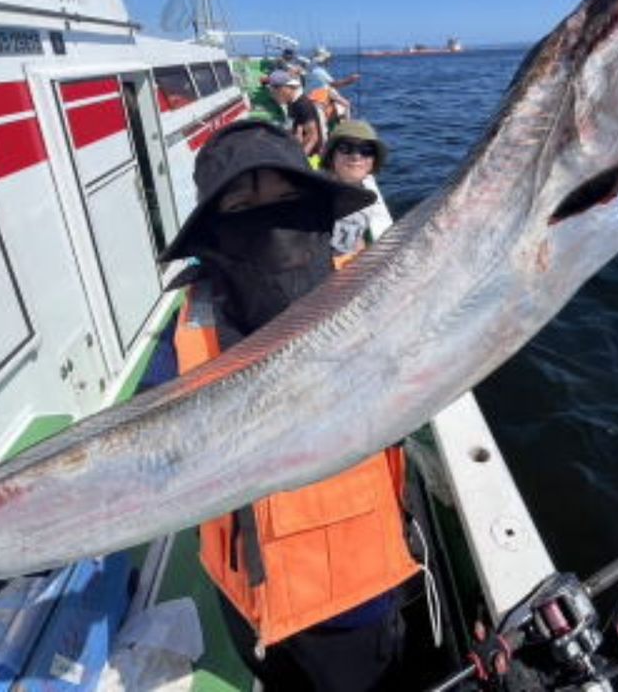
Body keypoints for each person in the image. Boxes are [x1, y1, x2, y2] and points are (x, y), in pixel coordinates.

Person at [145, 120, 419, 691]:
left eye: (287, 198)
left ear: (318, 208)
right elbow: (131, 455)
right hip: (246, 600)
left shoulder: (373, 294)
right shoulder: (189, 325)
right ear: (215, 232)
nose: (268, 221)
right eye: (242, 205)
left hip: (351, 598)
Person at [322, 120, 393, 266]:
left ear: (373, 160)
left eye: (366, 150)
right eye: (346, 148)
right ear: (331, 156)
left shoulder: (365, 197)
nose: (356, 156)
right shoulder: (316, 195)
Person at [268, 68, 324, 160]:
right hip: (295, 148)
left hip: (310, 157)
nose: (273, 97)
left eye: (274, 93)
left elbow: (313, 137)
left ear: (284, 89)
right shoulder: (290, 103)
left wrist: (299, 161)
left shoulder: (303, 105)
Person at [305, 47, 357, 130]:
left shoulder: (312, 68)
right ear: (323, 60)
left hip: (317, 94)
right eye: (328, 59)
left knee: (345, 104)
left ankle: (343, 123)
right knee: (346, 104)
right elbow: (335, 84)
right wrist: (350, 80)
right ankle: (347, 128)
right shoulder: (319, 71)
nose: (329, 61)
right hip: (316, 97)